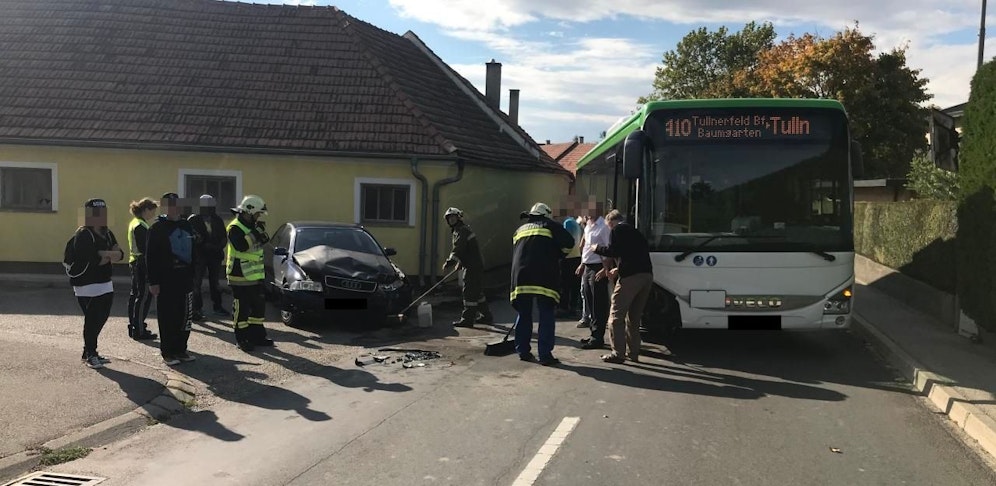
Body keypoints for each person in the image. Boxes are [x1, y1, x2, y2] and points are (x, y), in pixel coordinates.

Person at [510, 202, 576, 366]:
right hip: (544, 277)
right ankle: (545, 355)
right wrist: (557, 254)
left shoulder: (519, 230)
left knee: (524, 313)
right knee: (546, 313)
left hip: (520, 277)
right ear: (546, 214)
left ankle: (523, 351)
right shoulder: (550, 225)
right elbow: (569, 242)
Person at [66, 198, 125, 369]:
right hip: (86, 284)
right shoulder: (83, 234)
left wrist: (105, 254)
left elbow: (120, 254)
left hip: (105, 282)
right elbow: (93, 260)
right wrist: (108, 255)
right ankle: (90, 352)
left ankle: (89, 351)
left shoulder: (107, 233)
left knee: (102, 317)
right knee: (92, 320)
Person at [592, 209, 654, 363]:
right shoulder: (635, 231)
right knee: (633, 317)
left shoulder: (617, 230)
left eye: (608, 226)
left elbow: (614, 250)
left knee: (616, 316)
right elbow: (634, 254)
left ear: (611, 222)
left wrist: (597, 248)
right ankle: (633, 353)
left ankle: (618, 353)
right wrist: (618, 268)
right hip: (646, 276)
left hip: (630, 279)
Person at [146, 192, 197, 366]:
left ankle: (181, 349)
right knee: (168, 316)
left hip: (186, 279)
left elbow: (194, 250)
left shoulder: (187, 225)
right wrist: (153, 282)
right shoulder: (157, 228)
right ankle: (168, 352)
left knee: (184, 316)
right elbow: (150, 256)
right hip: (166, 280)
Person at [226, 194, 272, 352]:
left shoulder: (252, 226)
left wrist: (259, 233)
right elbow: (242, 246)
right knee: (242, 308)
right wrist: (256, 233)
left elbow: (264, 241)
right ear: (249, 212)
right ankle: (242, 338)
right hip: (239, 275)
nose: (259, 217)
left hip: (255, 275)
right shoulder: (234, 227)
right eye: (258, 213)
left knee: (258, 307)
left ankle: (258, 336)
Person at [442, 207, 494, 328]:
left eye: (453, 217)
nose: (451, 220)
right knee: (477, 292)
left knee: (469, 291)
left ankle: (467, 319)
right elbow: (466, 250)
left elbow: (459, 249)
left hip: (473, 266)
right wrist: (459, 263)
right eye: (449, 218)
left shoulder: (462, 231)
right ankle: (486, 316)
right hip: (472, 264)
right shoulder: (458, 230)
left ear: (458, 217)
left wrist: (449, 262)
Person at [188, 194, 228, 320]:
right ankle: (196, 309)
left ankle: (218, 306)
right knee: (196, 283)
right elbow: (190, 237)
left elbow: (223, 237)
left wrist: (217, 247)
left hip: (215, 256)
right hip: (199, 256)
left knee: (215, 282)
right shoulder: (193, 219)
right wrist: (202, 244)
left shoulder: (217, 219)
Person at [578, 207, 613, 350]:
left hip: (598, 267)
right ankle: (593, 333)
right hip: (587, 266)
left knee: (598, 302)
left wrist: (606, 270)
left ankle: (598, 338)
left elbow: (609, 249)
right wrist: (582, 264)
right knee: (589, 300)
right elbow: (586, 246)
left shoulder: (604, 227)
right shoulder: (588, 225)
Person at [127, 197, 158, 341]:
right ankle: (138, 329)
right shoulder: (141, 226)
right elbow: (145, 248)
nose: (153, 215)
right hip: (141, 264)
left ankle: (134, 325)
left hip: (135, 262)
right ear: (146, 210)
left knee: (136, 295)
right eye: (152, 211)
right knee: (143, 296)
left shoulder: (136, 223)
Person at [556, 216, 583, 319]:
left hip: (567, 258)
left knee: (564, 285)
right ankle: (573, 307)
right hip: (577, 257)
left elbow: (566, 241)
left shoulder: (567, 223)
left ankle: (563, 308)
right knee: (575, 284)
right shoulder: (576, 225)